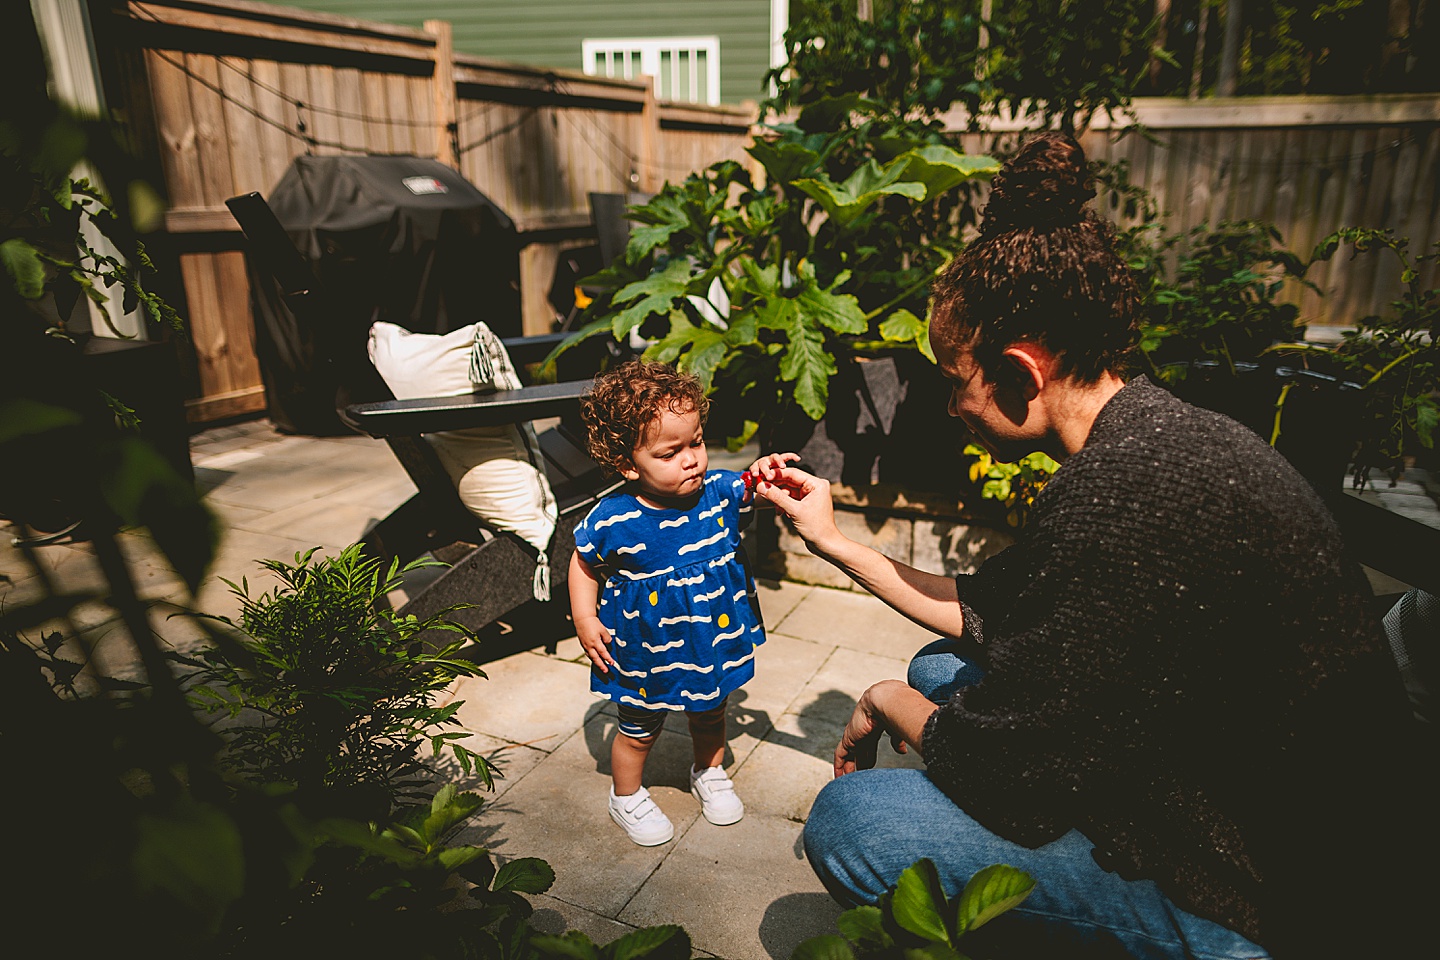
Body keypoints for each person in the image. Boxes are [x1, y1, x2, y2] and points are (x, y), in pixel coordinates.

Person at [755, 132, 1431, 958]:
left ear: (1018, 371)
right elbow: (983, 611)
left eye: (951, 382)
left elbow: (1012, 782)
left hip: (1275, 895)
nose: (949, 409)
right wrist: (829, 538)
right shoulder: (1145, 427)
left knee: (858, 820)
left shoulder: (1122, 497)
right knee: (943, 669)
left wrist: (880, 700)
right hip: (1231, 783)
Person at [570, 359, 797, 845]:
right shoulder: (613, 518)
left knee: (711, 709)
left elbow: (755, 486)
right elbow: (583, 562)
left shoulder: (718, 493)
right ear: (629, 464)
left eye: (695, 442)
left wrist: (763, 472)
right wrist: (585, 618)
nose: (692, 458)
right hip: (646, 646)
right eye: (670, 452)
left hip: (710, 636)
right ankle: (626, 795)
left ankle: (708, 771)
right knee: (638, 724)